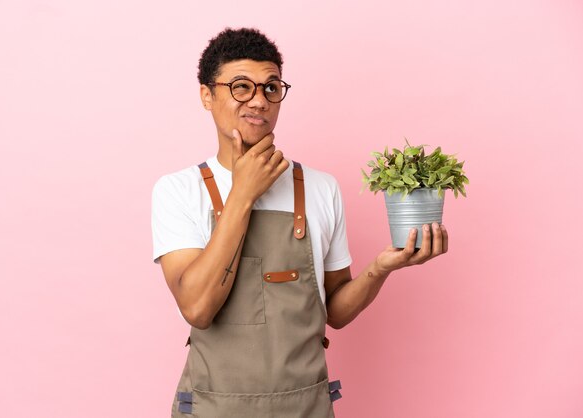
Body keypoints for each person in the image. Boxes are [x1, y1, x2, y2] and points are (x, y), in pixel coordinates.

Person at [151, 27, 448, 418]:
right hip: (213, 408)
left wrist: (380, 268)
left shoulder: (321, 188)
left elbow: (335, 312)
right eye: (241, 87)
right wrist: (242, 193)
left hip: (305, 407)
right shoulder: (178, 190)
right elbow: (198, 308)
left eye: (271, 87)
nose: (259, 100)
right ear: (207, 95)